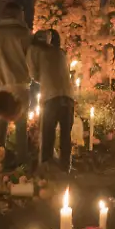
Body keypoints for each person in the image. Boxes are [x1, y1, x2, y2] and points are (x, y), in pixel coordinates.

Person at [31, 29, 74, 168]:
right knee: (65, 135)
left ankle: (46, 167)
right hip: (68, 96)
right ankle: (65, 167)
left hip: (51, 96)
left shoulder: (35, 51)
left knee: (48, 133)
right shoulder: (60, 53)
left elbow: (34, 75)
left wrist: (43, 77)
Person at [0, 0, 33, 103]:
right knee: (20, 117)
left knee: (0, 118)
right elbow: (31, 57)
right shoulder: (23, 33)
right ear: (19, 15)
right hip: (20, 84)